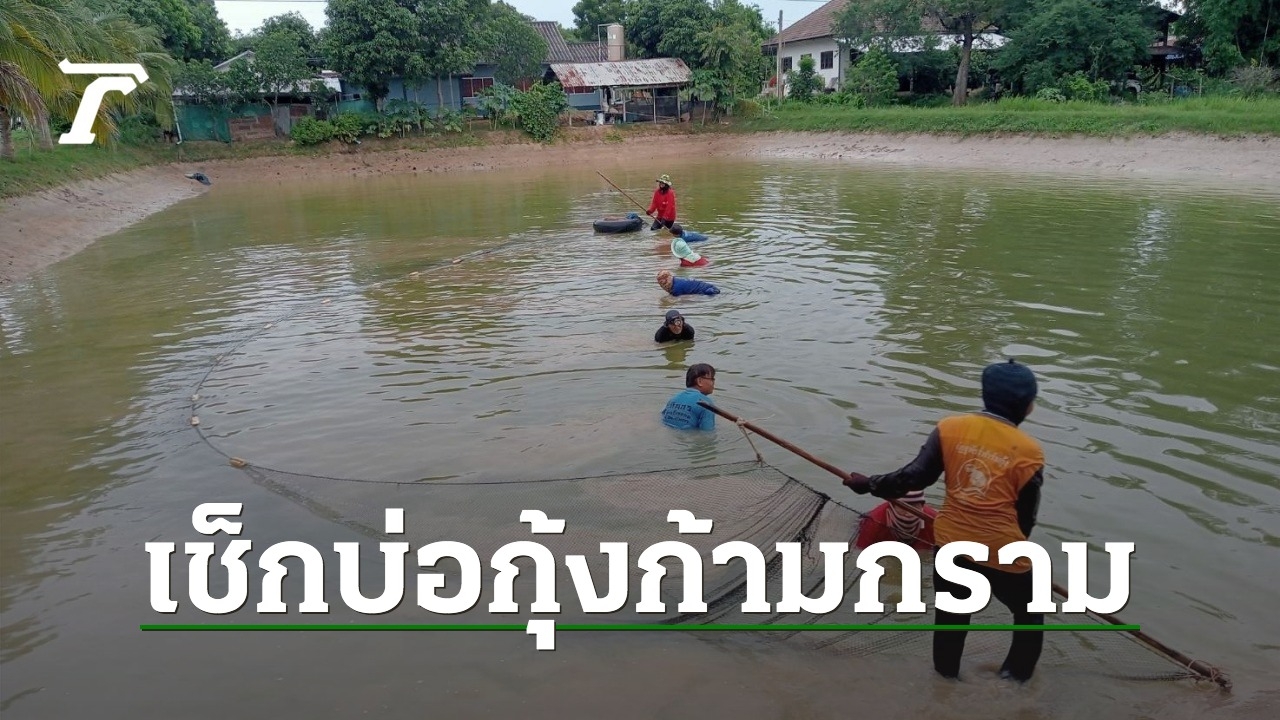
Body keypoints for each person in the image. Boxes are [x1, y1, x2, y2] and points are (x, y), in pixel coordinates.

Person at [844, 359, 1046, 684]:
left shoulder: (950, 428)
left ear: (985, 395)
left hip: (951, 545)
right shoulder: (1029, 451)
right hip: (1003, 550)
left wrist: (868, 484)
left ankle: (946, 681)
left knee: (952, 619)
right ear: (1029, 406)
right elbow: (1026, 518)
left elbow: (912, 478)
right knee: (1029, 616)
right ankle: (1012, 684)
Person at [853, 490, 938, 552]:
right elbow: (860, 550)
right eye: (904, 507)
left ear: (922, 506)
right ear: (892, 506)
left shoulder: (934, 521)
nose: (909, 513)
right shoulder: (873, 521)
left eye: (915, 506)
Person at [661, 363, 716, 430]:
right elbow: (707, 433)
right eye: (712, 379)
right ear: (699, 381)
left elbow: (663, 418)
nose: (713, 383)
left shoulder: (673, 399)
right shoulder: (706, 404)